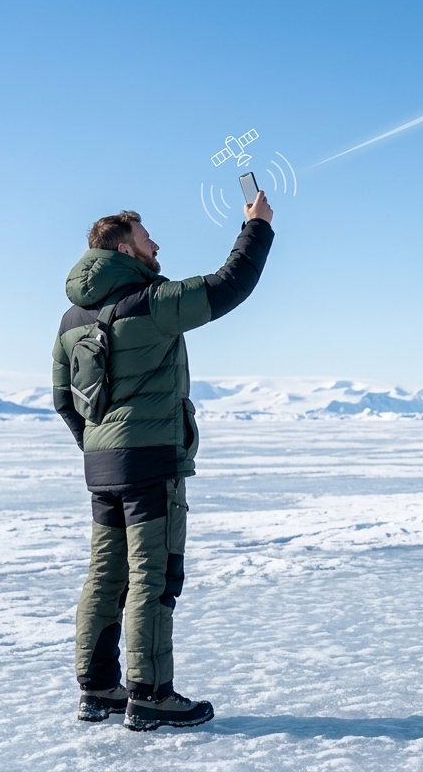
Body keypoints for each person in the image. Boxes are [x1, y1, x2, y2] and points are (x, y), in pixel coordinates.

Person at [52, 192, 274, 730]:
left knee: (105, 577)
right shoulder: (152, 301)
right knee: (153, 578)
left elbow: (63, 399)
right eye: (147, 238)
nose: (156, 245)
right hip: (151, 464)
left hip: (103, 467)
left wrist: (99, 445)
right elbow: (228, 285)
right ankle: (150, 694)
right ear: (123, 249)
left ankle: (97, 689)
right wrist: (257, 227)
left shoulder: (71, 320)